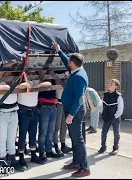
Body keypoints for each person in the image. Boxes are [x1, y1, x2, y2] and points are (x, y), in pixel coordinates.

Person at [53, 42, 90, 177]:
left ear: (73, 63)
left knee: (78, 139)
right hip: (70, 110)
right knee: (74, 138)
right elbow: (65, 61)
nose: (67, 61)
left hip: (75, 111)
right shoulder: (76, 70)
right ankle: (76, 162)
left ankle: (85, 168)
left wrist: (71, 115)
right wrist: (59, 50)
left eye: (69, 60)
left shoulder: (79, 76)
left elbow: (79, 98)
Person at [0, 70, 25, 172]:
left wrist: (11, 85)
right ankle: (2, 160)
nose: (10, 72)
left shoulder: (14, 80)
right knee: (1, 139)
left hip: (13, 111)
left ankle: (12, 159)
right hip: (2, 112)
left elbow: (25, 85)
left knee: (11, 138)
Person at [17, 76, 50, 168]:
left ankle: (33, 154)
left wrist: (38, 85)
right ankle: (21, 156)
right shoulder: (20, 78)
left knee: (33, 133)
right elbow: (19, 86)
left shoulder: (36, 79)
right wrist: (28, 85)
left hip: (34, 109)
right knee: (22, 134)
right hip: (23, 110)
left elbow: (48, 83)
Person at [37, 78, 63, 161]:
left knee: (51, 130)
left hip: (53, 106)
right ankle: (42, 151)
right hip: (44, 106)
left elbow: (59, 83)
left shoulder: (53, 77)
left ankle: (48, 150)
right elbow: (44, 83)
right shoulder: (41, 77)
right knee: (43, 131)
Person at [98, 79, 124, 156]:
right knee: (103, 132)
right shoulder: (105, 95)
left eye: (111, 84)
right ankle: (103, 146)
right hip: (106, 117)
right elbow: (101, 105)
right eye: (109, 83)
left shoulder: (118, 96)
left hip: (115, 118)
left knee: (116, 133)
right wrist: (102, 113)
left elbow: (120, 109)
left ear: (115, 86)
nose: (109, 84)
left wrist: (115, 116)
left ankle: (115, 148)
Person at [53, 76, 72, 155]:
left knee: (64, 125)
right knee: (57, 126)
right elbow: (58, 82)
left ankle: (63, 144)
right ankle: (56, 145)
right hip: (59, 103)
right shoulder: (56, 75)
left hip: (66, 103)